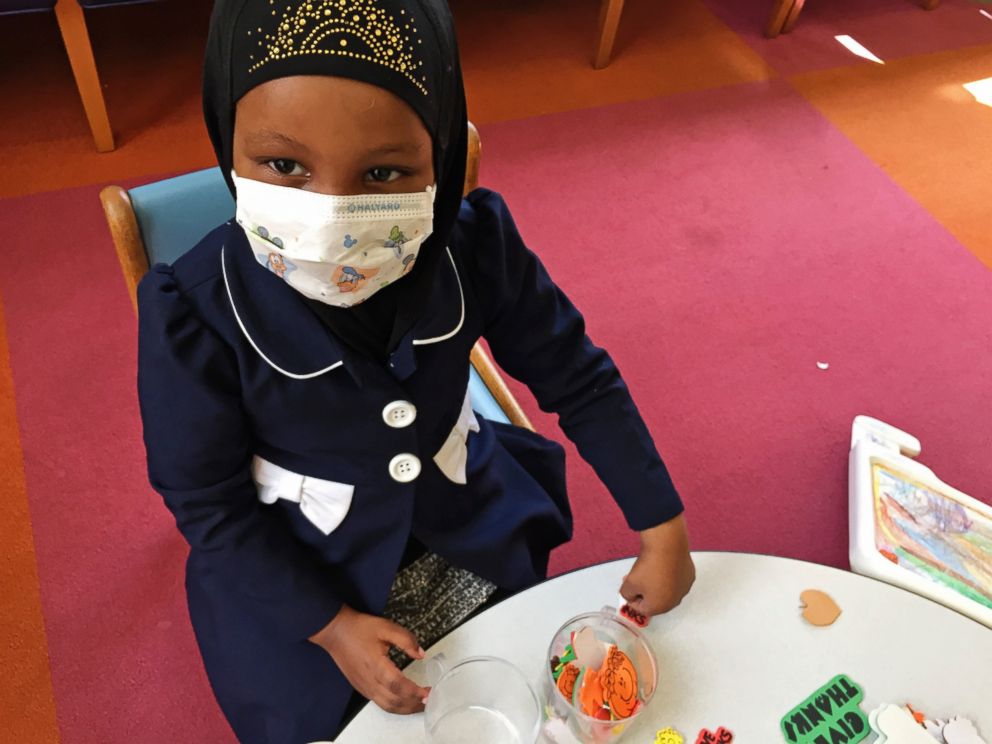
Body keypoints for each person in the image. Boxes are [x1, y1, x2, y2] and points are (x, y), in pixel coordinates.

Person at [136, 0, 695, 741]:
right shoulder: (195, 309)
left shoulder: (473, 246)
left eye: (384, 171)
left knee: (530, 683)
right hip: (298, 566)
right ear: (225, 140)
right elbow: (207, 502)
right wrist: (331, 628)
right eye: (284, 166)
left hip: (464, 520)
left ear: (442, 156)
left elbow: (576, 376)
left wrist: (662, 524)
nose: (332, 213)